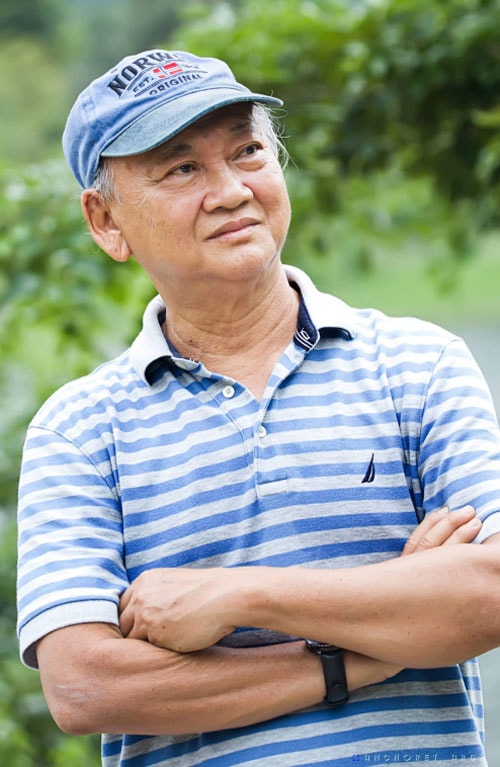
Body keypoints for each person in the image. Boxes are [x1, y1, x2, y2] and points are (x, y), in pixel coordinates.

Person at [16, 48, 500, 767]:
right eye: (182, 169)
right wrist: (370, 650)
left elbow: (488, 592)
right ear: (106, 220)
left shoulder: (417, 364)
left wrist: (241, 596)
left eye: (247, 151)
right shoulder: (80, 431)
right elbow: (85, 685)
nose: (231, 190)